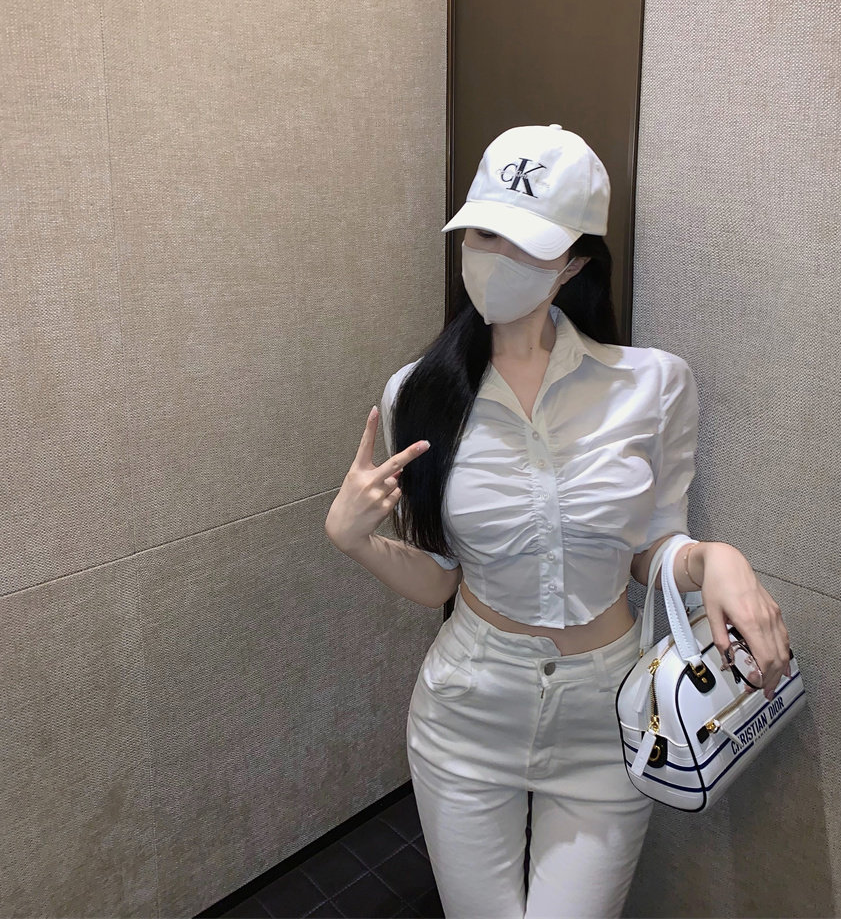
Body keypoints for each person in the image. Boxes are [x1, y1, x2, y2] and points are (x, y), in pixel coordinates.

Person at [325, 124, 793, 918]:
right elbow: (439, 579)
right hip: (467, 709)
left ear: (574, 260)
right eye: (484, 233)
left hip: (608, 718)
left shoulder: (653, 385)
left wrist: (714, 559)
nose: (496, 257)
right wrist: (353, 540)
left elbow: (651, 548)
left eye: (527, 243)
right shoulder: (419, 391)